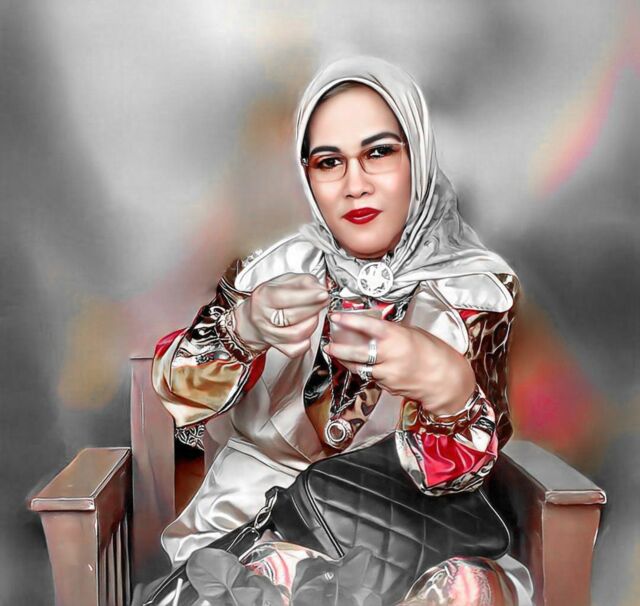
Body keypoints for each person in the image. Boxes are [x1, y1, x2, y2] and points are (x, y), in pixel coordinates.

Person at [151, 56, 534, 605]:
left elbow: (464, 477)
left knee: (467, 591)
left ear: (419, 155)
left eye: (379, 153)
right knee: (268, 582)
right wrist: (243, 328)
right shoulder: (272, 269)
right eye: (329, 162)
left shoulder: (476, 290)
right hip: (254, 522)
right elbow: (178, 394)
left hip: (405, 533)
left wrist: (449, 390)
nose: (355, 185)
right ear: (307, 174)